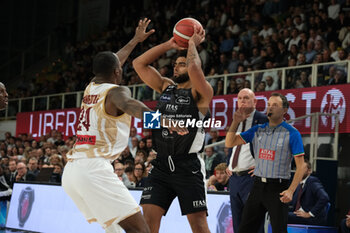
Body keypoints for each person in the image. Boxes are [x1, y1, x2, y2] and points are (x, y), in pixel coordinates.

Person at [62, 18, 186, 233]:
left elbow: (114, 60)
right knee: (141, 231)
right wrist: (163, 121)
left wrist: (135, 40)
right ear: (117, 72)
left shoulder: (92, 86)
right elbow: (131, 105)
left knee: (117, 231)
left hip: (73, 171)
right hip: (94, 170)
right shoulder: (117, 92)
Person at [133, 25, 212, 233]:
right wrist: (169, 44)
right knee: (147, 225)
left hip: (188, 166)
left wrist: (192, 44)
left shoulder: (202, 94)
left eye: (182, 64)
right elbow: (138, 63)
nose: (176, 67)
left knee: (199, 226)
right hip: (160, 165)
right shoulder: (166, 87)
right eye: (175, 64)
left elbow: (195, 69)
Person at [225, 92, 307, 233]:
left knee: (279, 230)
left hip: (278, 188)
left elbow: (302, 166)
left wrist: (291, 191)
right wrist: (235, 122)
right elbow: (229, 142)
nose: (270, 108)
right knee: (244, 229)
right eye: (269, 104)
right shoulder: (257, 129)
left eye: (275, 105)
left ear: (285, 110)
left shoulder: (292, 133)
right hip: (257, 186)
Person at [226, 88, 268, 233]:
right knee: (238, 224)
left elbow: (274, 147)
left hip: (251, 179)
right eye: (239, 98)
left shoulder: (263, 120)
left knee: (254, 223)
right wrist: (229, 164)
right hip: (234, 178)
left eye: (246, 98)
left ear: (255, 102)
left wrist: (262, 166)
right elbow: (231, 144)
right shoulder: (236, 119)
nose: (242, 101)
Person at [288, 160, 329, 225]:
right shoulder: (299, 185)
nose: (299, 170)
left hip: (312, 218)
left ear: (309, 171)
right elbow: (292, 203)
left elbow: (324, 197)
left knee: (283, 217)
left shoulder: (312, 181)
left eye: (302, 168)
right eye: (298, 168)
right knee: (279, 214)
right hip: (298, 215)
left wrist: (309, 214)